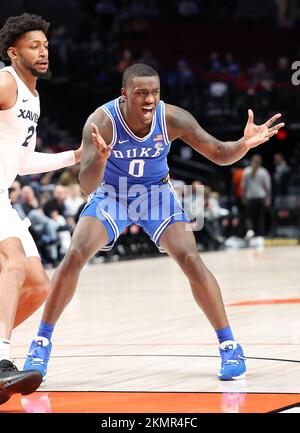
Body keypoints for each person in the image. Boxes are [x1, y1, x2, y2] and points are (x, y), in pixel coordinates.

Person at [24, 63, 284, 383]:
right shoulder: (101, 122)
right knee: (75, 254)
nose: (150, 100)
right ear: (125, 95)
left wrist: (243, 145)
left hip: (155, 193)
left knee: (190, 258)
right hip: (113, 194)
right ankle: (41, 342)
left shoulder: (172, 118)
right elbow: (88, 184)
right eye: (142, 93)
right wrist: (101, 160)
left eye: (155, 93)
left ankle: (229, 344)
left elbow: (218, 152)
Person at [0, 13, 82, 404]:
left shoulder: (32, 95)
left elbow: (24, 162)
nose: (43, 51)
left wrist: (76, 156)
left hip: (3, 193)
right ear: (13, 53)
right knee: (13, 263)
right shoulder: (5, 81)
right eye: (34, 46)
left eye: (45, 45)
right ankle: (2, 360)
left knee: (38, 285)